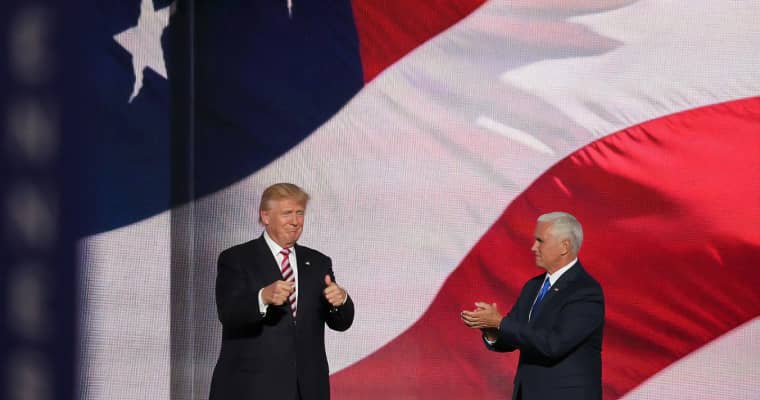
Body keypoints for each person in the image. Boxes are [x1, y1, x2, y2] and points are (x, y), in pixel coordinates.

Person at [209, 183, 355, 400]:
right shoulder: (237, 259)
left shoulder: (317, 263)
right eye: (288, 213)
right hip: (251, 388)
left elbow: (341, 323)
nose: (295, 221)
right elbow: (228, 314)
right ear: (265, 216)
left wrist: (341, 301)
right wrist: (262, 298)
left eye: (300, 213)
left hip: (306, 389)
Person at [461, 212, 604, 400]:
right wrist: (491, 330)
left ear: (565, 246)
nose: (533, 247)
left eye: (540, 241)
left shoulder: (585, 291)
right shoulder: (533, 286)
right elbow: (514, 336)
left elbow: (554, 345)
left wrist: (501, 323)